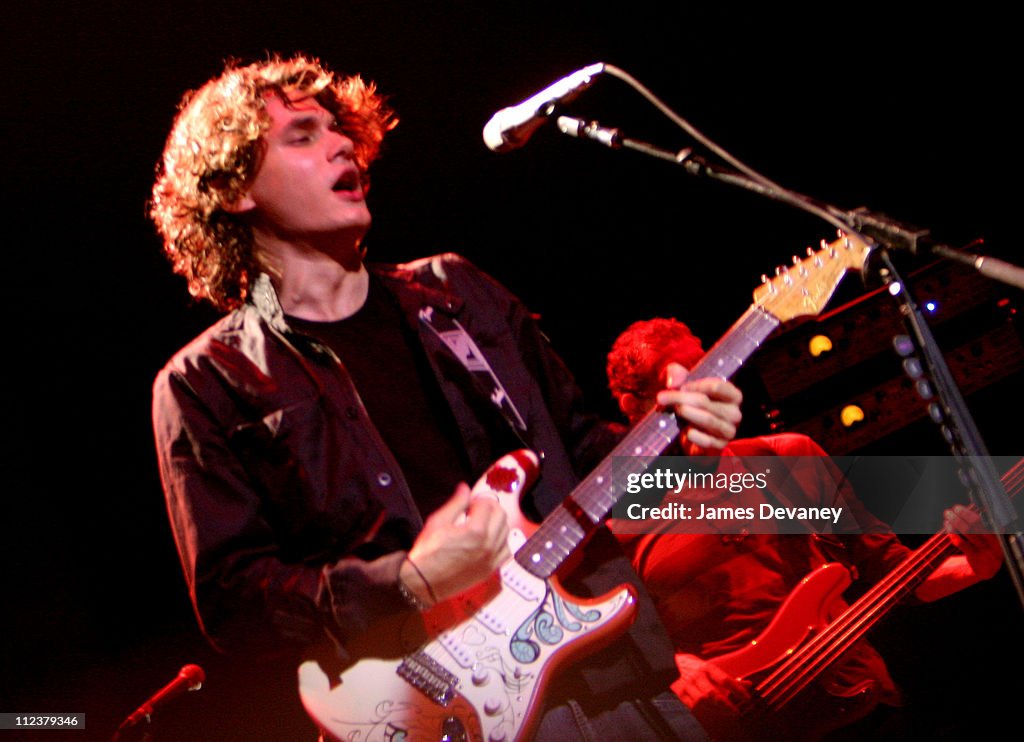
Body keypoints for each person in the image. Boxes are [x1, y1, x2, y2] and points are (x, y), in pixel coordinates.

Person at [148, 54, 745, 741]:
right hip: (430, 715)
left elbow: (586, 462)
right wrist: (409, 580)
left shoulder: (458, 294)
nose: (343, 143)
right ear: (233, 189)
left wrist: (683, 448)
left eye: (340, 130)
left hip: (620, 689)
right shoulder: (205, 382)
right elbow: (236, 602)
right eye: (303, 135)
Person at [604, 317, 1005, 742]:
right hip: (741, 727)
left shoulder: (788, 458)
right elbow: (620, 653)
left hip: (860, 708)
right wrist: (678, 665)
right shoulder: (617, 526)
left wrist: (975, 567)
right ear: (634, 406)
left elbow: (893, 572)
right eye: (682, 381)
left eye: (709, 371)